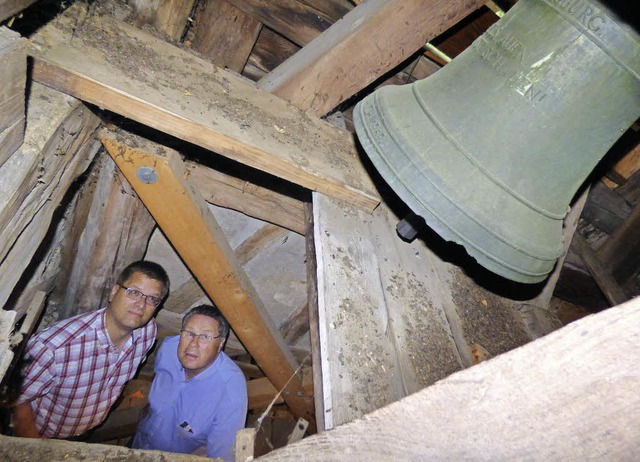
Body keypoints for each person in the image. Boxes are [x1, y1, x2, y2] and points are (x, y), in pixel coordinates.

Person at [11, 260, 170, 439]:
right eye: (134, 293)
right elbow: (18, 401)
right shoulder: (53, 348)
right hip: (45, 436)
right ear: (114, 292)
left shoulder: (148, 332)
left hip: (88, 429)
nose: (141, 305)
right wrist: (34, 446)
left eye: (152, 299)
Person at [132, 304, 248, 461]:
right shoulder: (168, 349)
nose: (193, 344)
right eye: (189, 333)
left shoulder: (231, 391)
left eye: (205, 337)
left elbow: (222, 456)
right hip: (138, 444)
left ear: (220, 344)